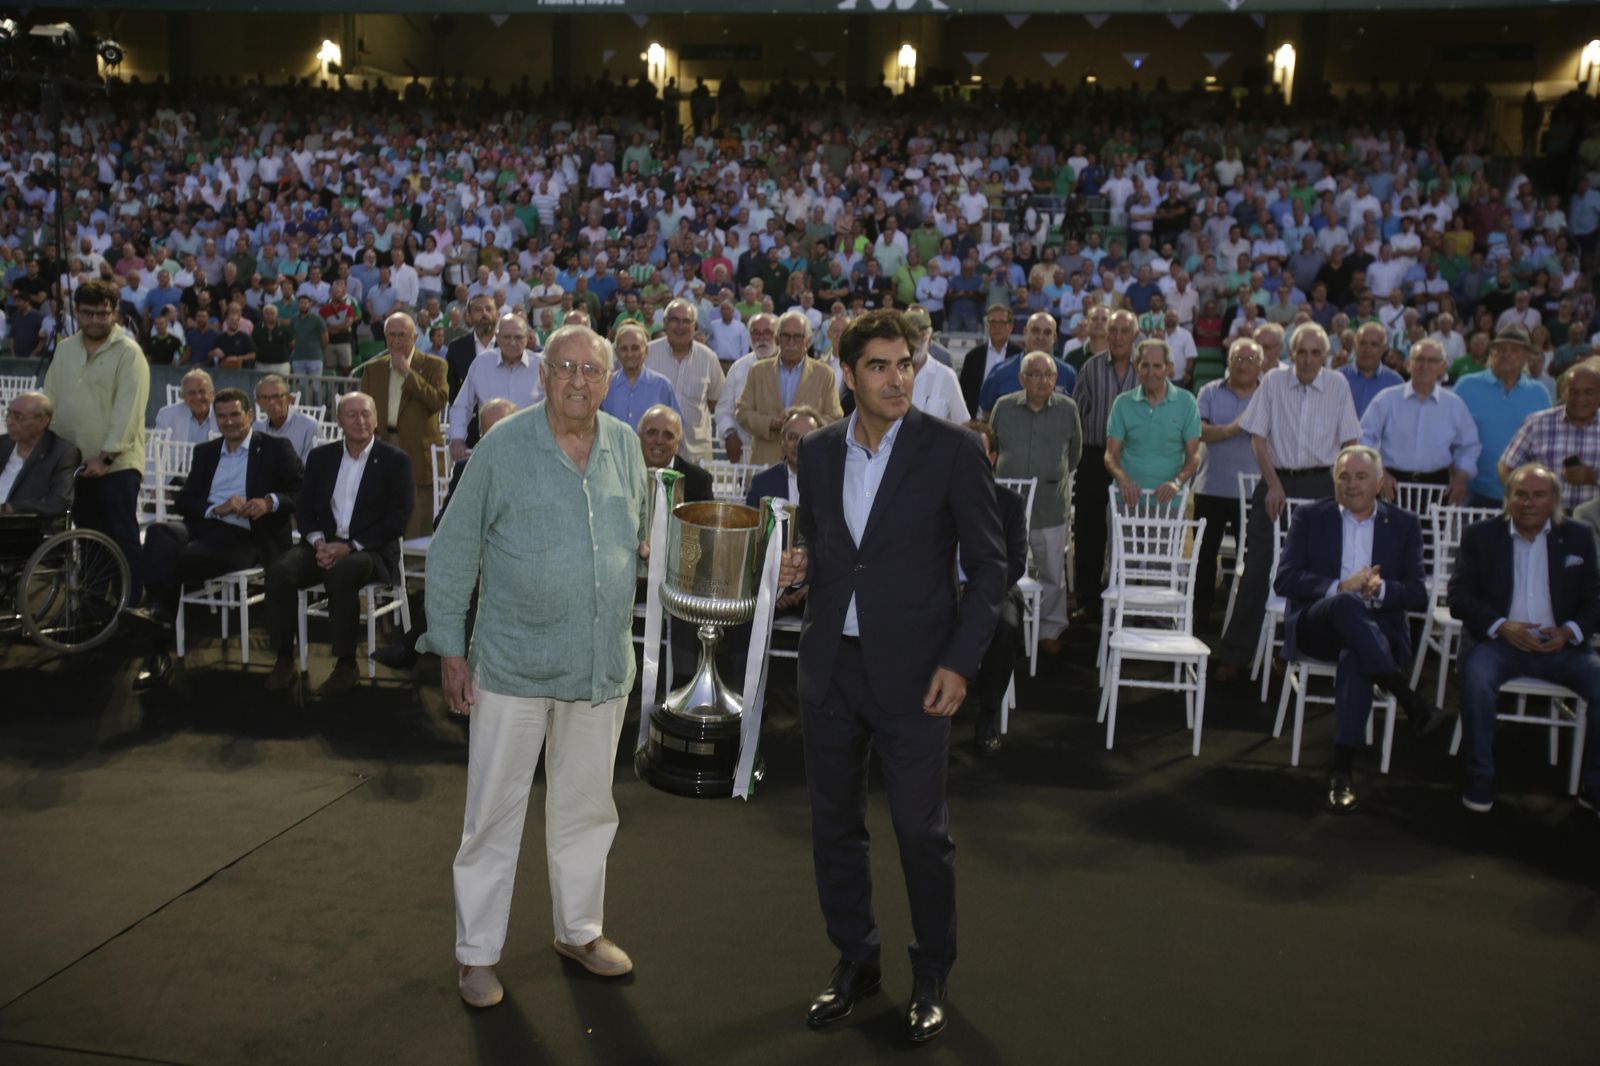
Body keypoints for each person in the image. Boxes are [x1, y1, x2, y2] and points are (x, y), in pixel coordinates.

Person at [777, 309, 1005, 1045]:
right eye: (878, 365)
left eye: (904, 363)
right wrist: (802, 568)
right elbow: (826, 541)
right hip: (832, 672)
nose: (897, 377)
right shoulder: (814, 453)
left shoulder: (951, 451)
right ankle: (857, 959)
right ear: (847, 375)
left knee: (919, 832)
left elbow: (995, 569)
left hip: (917, 677)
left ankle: (931, 970)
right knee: (835, 827)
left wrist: (958, 663)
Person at [420, 324, 649, 1010]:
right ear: (544, 374)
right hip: (512, 665)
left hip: (598, 669)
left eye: (593, 370)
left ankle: (579, 932)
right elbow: (454, 550)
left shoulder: (627, 447)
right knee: (492, 816)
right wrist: (449, 649)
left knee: (586, 809)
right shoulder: (502, 445)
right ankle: (476, 956)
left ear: (609, 381)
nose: (580, 381)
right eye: (567, 368)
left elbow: (640, 540)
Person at [1275, 445, 1443, 812]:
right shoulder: (1309, 516)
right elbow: (1284, 580)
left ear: (1380, 483)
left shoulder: (1404, 524)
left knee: (1356, 657)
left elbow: (1417, 593)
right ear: (1334, 481)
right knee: (1348, 603)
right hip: (1317, 623)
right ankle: (1405, 693)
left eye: (1361, 477)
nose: (1351, 485)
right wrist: (1340, 587)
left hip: (1376, 632)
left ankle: (1342, 770)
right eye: (1344, 476)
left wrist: (1381, 589)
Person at [1448, 463, 1600, 816]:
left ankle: (1593, 783)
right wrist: (1502, 626)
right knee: (1477, 676)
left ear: (1554, 500)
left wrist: (1568, 632)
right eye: (1520, 494)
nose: (1529, 502)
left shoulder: (1577, 536)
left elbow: (1595, 600)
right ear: (1508, 498)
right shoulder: (1480, 536)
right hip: (1500, 644)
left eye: (1538, 495)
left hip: (1561, 646)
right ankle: (1479, 776)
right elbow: (1459, 598)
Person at [1214, 322, 1361, 682]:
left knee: (1317, 574)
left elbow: (1349, 444)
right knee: (1259, 566)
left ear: (1325, 356)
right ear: (1290, 354)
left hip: (1321, 485)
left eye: (1316, 353)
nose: (1308, 360)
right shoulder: (1273, 382)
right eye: (1302, 352)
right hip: (1275, 484)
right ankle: (1236, 655)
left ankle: (1295, 650)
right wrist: (1274, 484)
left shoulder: (1338, 385)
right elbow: (1258, 439)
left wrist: (1344, 491)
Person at [136, 388, 304, 688]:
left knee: (176, 560)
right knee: (159, 533)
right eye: (222, 416)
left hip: (247, 535)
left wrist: (268, 502)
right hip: (207, 523)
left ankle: (157, 646)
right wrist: (216, 508)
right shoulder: (206, 452)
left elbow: (302, 492)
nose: (228, 422)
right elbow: (184, 501)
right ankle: (159, 619)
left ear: (250, 415)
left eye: (235, 415)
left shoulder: (276, 449)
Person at [260, 392, 413, 697]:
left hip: (370, 549)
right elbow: (304, 508)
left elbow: (397, 519)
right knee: (280, 571)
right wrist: (318, 542)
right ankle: (283, 659)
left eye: (366, 414)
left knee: (341, 573)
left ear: (376, 419)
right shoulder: (321, 457)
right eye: (352, 414)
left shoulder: (396, 461)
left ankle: (346, 664)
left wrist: (350, 546)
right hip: (322, 544)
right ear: (339, 421)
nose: (360, 421)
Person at [41, 280, 149, 602]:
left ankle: (130, 607)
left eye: (103, 314)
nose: (96, 321)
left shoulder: (129, 353)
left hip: (116, 466)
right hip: (74, 463)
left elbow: (128, 410)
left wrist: (105, 458)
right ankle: (93, 610)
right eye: (88, 314)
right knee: (86, 540)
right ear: (76, 312)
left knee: (121, 537)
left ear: (115, 312)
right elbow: (50, 400)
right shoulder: (64, 349)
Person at [990, 351, 1083, 654]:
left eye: (1049, 375)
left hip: (1049, 504)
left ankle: (1050, 630)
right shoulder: (1003, 407)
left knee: (1052, 572)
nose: (1043, 380)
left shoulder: (1068, 409)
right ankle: (996, 624)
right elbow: (991, 450)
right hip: (1005, 507)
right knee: (999, 568)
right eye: (1035, 374)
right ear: (1022, 378)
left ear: (1056, 379)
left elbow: (1074, 455)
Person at [964, 419, 1029, 756]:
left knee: (1004, 627)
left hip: (993, 591)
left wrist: (978, 590)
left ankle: (987, 715)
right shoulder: (933, 497)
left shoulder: (1010, 504)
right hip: (944, 589)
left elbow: (1016, 563)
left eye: (977, 450)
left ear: (992, 457)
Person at [1070, 308, 1140, 622]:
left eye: (1125, 331)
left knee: (1129, 535)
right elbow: (1076, 416)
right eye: (1114, 331)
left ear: (1135, 335)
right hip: (1095, 459)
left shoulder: (1148, 369)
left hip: (1135, 464)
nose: (1119, 337)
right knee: (1089, 533)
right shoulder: (1091, 368)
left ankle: (1126, 599)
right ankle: (1088, 600)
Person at [1357, 338, 1481, 503]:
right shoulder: (1387, 399)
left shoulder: (1454, 404)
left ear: (1442, 367)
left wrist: (1461, 477)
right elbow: (1364, 438)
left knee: (1433, 530)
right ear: (1409, 364)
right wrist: (1378, 472)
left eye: (1432, 361)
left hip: (1438, 486)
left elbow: (1468, 446)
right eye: (1419, 359)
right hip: (1390, 483)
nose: (1425, 366)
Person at [359, 312, 448, 538]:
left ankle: (414, 561)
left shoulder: (433, 365)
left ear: (415, 337)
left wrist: (408, 373)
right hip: (384, 441)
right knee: (383, 501)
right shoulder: (373, 368)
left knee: (418, 509)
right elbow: (364, 407)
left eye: (402, 335)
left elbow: (437, 400)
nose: (396, 341)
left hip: (418, 446)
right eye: (391, 335)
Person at [1194, 338, 1263, 619]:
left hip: (1253, 490)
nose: (1243, 364)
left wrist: (1220, 431)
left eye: (1250, 359)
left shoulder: (1267, 396)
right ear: (1228, 362)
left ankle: (1240, 614)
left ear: (1260, 365)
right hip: (1211, 485)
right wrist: (1235, 429)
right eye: (1238, 358)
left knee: (1250, 557)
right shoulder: (1209, 391)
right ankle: (1200, 609)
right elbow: (1199, 432)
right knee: (1203, 553)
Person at [1454, 325, 1553, 508]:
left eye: (1514, 350)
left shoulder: (1539, 392)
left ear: (1526, 356)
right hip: (1472, 492)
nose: (1506, 354)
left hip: (1524, 496)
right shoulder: (1466, 385)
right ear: (1492, 352)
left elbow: (1547, 442)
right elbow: (1449, 435)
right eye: (1500, 349)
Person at [1105, 338, 1202, 507]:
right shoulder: (1122, 403)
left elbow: (1193, 456)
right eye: (1145, 365)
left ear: (1169, 368)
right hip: (1126, 502)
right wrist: (1124, 480)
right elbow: (1110, 455)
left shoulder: (1187, 402)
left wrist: (1176, 483)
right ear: (1136, 367)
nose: (1151, 372)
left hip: (1169, 505)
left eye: (1157, 366)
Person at [737, 313, 843, 464]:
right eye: (786, 336)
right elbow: (742, 413)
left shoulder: (824, 374)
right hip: (765, 464)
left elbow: (835, 419)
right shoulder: (757, 371)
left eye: (797, 336)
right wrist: (771, 422)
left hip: (809, 465)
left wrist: (805, 426)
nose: (791, 342)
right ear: (777, 339)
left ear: (808, 341)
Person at [1498, 359, 1600, 513]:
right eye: (1574, 392)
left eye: (1588, 392)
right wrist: (1526, 498)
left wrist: (1592, 477)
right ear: (1563, 391)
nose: (1580, 398)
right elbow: (1506, 466)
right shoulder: (1537, 423)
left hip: (1595, 521)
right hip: (1545, 519)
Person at [447, 312, 544, 463]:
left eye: (518, 337)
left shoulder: (541, 366)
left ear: (527, 338)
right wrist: (457, 438)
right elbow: (462, 405)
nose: (512, 342)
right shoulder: (482, 363)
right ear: (497, 337)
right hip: (491, 449)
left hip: (533, 451)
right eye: (507, 337)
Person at [645, 298, 724, 464]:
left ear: (694, 326)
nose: (680, 326)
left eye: (686, 321)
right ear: (665, 323)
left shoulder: (708, 358)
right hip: (652, 450)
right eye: (674, 320)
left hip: (696, 452)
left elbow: (714, 400)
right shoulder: (648, 354)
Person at [0, 391, 79, 524]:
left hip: (21, 526)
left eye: (18, 417)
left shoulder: (61, 452)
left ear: (43, 421)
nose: (10, 422)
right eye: (8, 414)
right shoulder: (3, 444)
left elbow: (58, 503)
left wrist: (10, 508)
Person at [977, 312, 1076, 417]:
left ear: (1054, 338)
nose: (1041, 337)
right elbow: (987, 413)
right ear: (1025, 332)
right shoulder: (1000, 372)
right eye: (1035, 331)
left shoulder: (1068, 374)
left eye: (1047, 332)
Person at [601, 322, 679, 430]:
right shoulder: (605, 385)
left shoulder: (662, 386)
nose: (630, 354)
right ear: (617, 352)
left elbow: (676, 428)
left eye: (635, 348)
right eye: (624, 349)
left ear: (646, 351)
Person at [745, 406, 820, 508]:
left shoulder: (832, 484)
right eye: (792, 437)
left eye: (806, 437)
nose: (798, 444)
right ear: (782, 441)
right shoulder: (761, 484)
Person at [638, 403, 713, 503]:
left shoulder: (698, 481)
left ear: (678, 443)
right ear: (639, 436)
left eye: (668, 435)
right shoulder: (624, 473)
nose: (659, 441)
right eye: (652, 432)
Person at [957, 304, 1021, 416]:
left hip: (1010, 422)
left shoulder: (1020, 356)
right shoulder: (973, 357)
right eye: (992, 322)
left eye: (1001, 322)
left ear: (1010, 327)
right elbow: (963, 393)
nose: (997, 327)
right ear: (987, 326)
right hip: (978, 422)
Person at [905, 308, 967, 423]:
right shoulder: (890, 375)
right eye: (910, 336)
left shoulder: (947, 376)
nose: (915, 343)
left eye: (921, 336)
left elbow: (963, 423)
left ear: (930, 339)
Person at [1339, 322, 1405, 418]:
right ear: (1355, 346)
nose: (1367, 349)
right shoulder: (1337, 378)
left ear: (1383, 349)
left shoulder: (1395, 382)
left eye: (1374, 344)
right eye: (1362, 343)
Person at [444, 294, 500, 404]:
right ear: (468, 316)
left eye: (489, 309)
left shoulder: (509, 345)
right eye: (478, 310)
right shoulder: (456, 348)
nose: (484, 313)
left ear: (497, 314)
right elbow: (452, 390)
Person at [254, 374, 320, 463]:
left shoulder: (308, 426)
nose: (272, 402)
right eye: (265, 397)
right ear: (258, 402)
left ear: (289, 399)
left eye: (277, 396)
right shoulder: (257, 428)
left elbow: (311, 466)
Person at [153, 369, 220, 444]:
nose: (197, 397)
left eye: (202, 391)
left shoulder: (224, 415)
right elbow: (152, 449)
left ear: (212, 395)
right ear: (183, 396)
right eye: (191, 393)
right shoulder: (166, 415)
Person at [289, 293, 329, 379]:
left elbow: (325, 338)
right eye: (301, 303)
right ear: (298, 304)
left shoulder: (317, 319)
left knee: (316, 387)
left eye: (306, 303)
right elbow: (292, 336)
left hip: (315, 357)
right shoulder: (294, 319)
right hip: (298, 357)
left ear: (310, 304)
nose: (303, 305)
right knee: (300, 387)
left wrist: (320, 352)